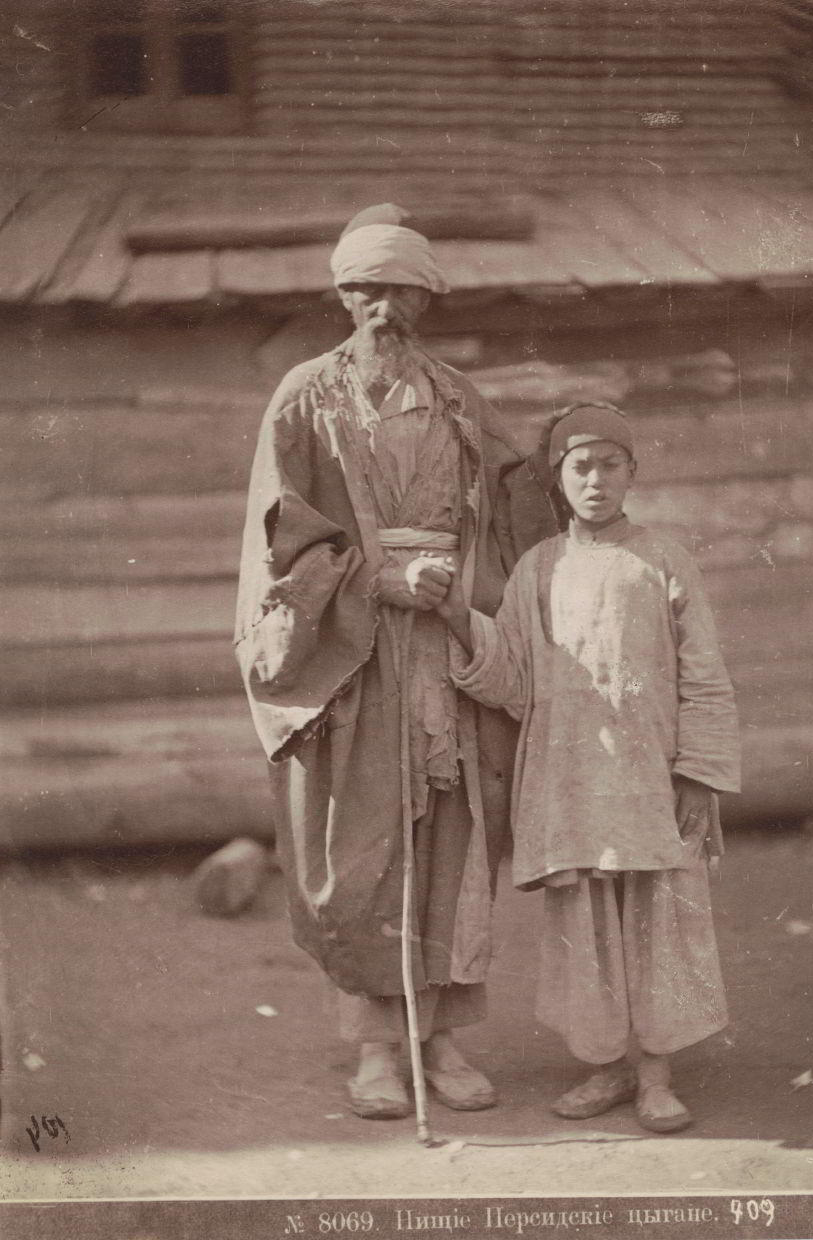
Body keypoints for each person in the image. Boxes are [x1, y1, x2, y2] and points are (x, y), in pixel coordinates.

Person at [234, 204, 557, 1120]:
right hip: (355, 651)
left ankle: (445, 1039)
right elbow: (280, 533)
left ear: (428, 296)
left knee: (454, 837)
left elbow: (514, 502)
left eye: (400, 288)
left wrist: (476, 589)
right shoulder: (304, 396)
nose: (382, 306)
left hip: (448, 639)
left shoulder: (458, 399)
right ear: (341, 295)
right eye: (364, 288)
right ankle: (375, 1050)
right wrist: (375, 579)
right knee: (363, 843)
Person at [440, 402, 741, 1133]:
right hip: (572, 780)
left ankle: (657, 1076)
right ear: (558, 478)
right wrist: (453, 615)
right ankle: (606, 1067)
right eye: (580, 467)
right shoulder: (540, 569)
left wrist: (696, 772)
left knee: (657, 919)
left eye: (611, 464)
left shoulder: (663, 560)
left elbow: (704, 673)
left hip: (649, 778)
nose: (596, 480)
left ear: (632, 471)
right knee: (587, 928)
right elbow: (511, 675)